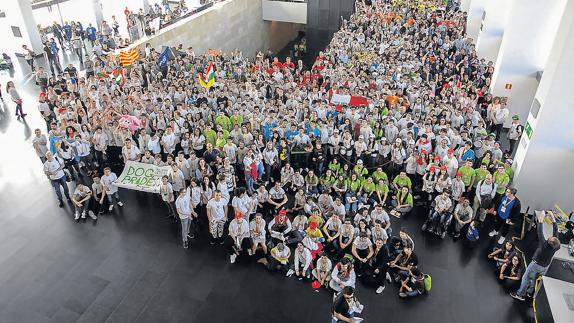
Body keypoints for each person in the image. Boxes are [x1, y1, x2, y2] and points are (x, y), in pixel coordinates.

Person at [511, 211, 561, 301]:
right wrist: (552, 218)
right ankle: (530, 293)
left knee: (526, 278)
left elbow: (540, 231)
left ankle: (520, 294)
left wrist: (541, 218)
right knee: (534, 278)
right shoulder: (556, 246)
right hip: (545, 266)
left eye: (550, 238)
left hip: (536, 265)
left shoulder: (544, 245)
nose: (550, 237)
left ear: (549, 242)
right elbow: (556, 230)